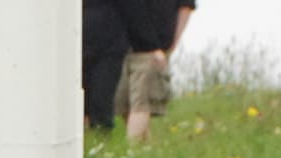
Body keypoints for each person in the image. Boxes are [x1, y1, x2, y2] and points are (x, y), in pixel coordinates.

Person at [81, 0, 195, 142]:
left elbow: (186, 6)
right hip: (126, 45)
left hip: (127, 44)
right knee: (132, 105)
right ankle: (136, 150)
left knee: (132, 104)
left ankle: (136, 151)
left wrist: (161, 45)